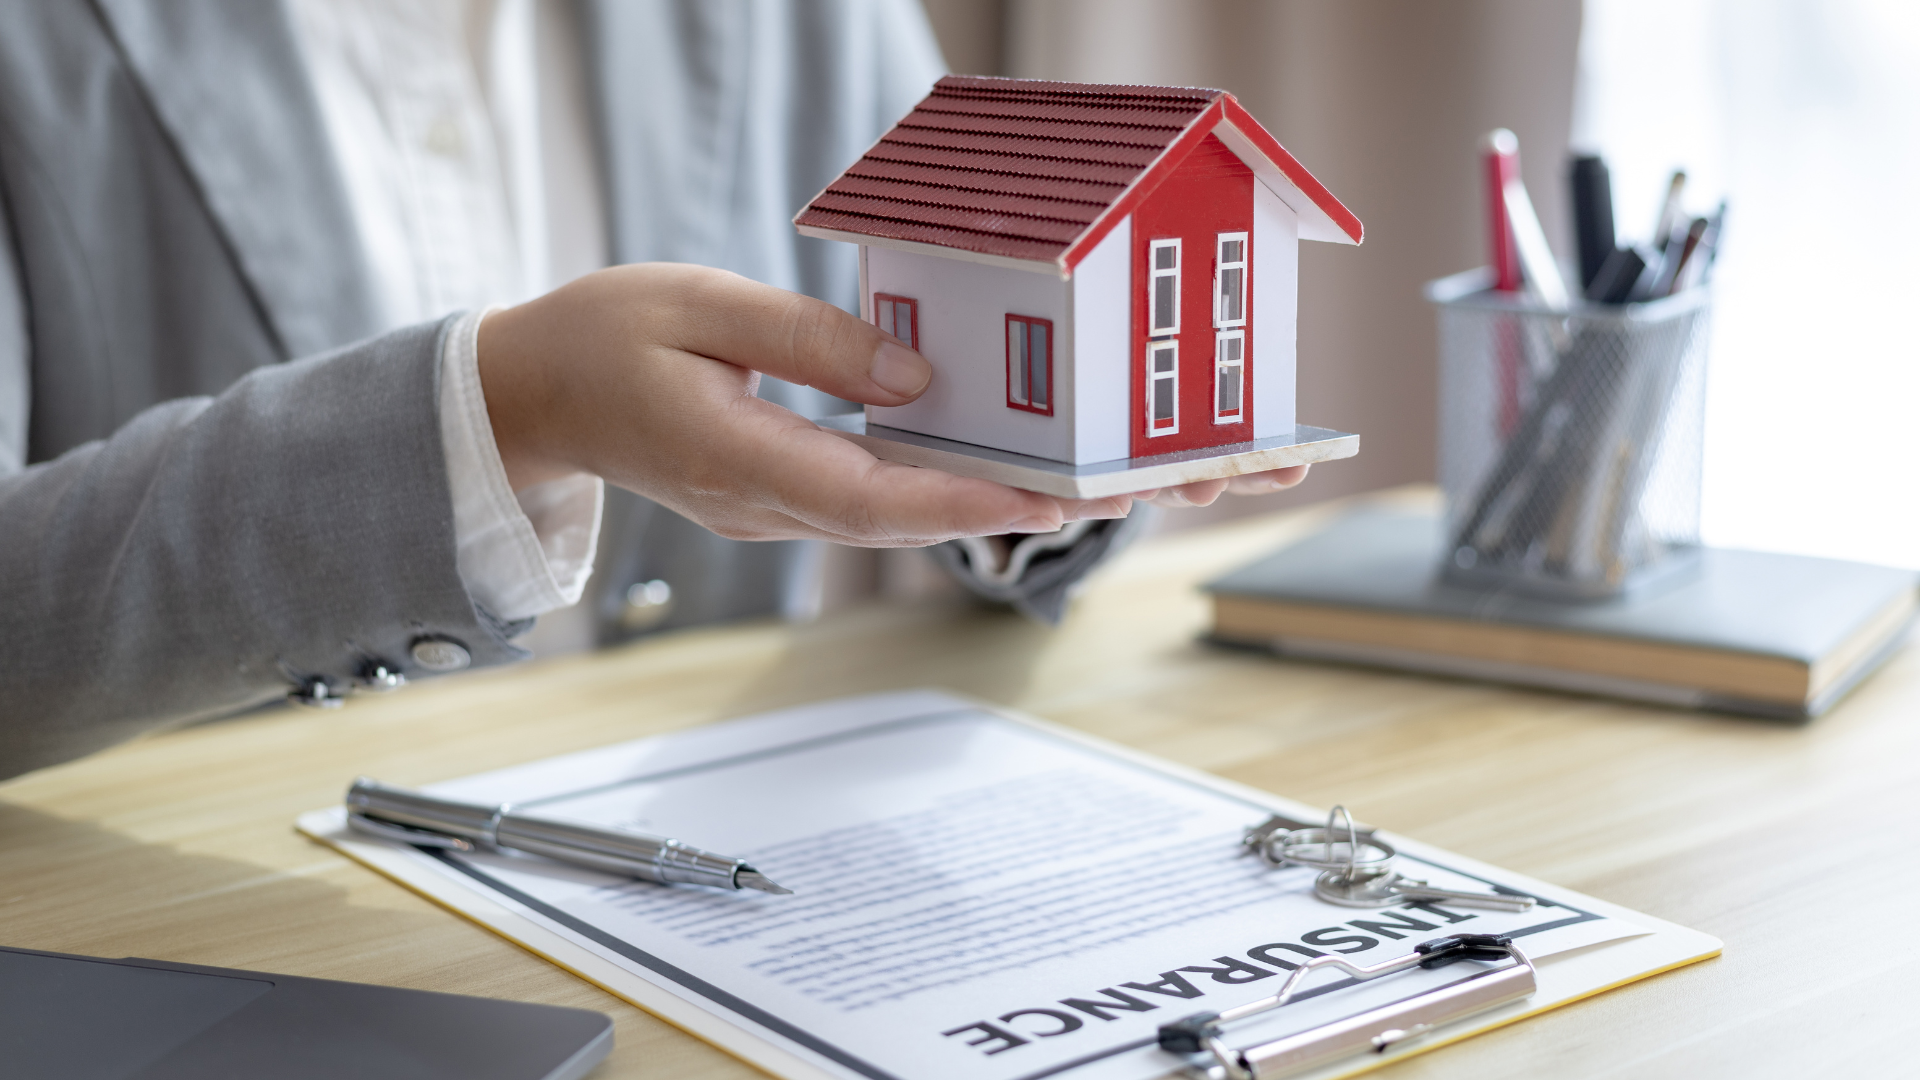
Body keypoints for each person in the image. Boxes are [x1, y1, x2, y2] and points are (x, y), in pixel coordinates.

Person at [0, 0, 1305, 780]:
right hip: (203, 926)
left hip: (719, 850)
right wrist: (500, 413)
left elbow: (995, 279)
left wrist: (1053, 463)